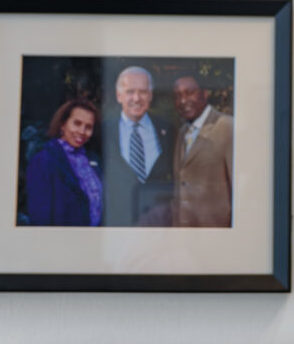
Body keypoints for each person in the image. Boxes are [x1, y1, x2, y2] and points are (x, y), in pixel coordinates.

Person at [100, 65, 175, 226]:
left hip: (159, 225)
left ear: (150, 96)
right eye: (130, 92)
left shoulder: (168, 130)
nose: (137, 98)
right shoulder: (103, 131)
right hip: (117, 224)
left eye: (143, 92)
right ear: (119, 96)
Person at [25, 99, 103, 227]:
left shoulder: (94, 160)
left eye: (88, 127)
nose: (82, 131)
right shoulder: (44, 161)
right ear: (63, 124)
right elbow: (40, 218)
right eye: (77, 123)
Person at [171, 75, 234, 227]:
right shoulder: (182, 133)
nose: (183, 100)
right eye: (178, 96)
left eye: (189, 92)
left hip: (215, 236)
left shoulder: (227, 127)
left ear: (204, 94)